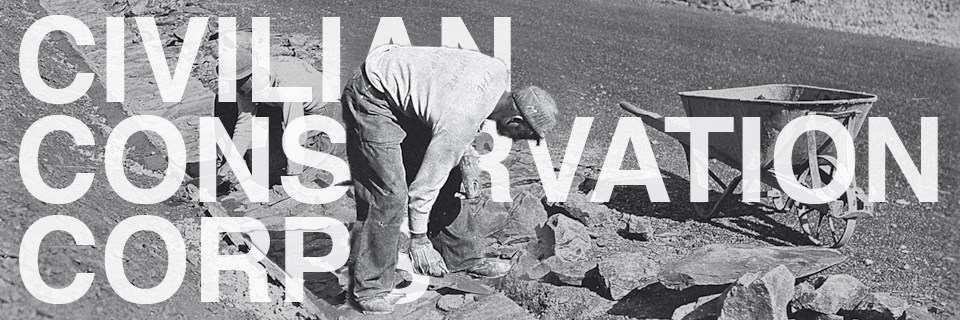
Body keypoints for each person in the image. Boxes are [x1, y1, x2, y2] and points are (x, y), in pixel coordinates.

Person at [341, 44, 559, 314]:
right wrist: (419, 239)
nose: (520, 141)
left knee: (452, 168)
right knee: (388, 194)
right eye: (525, 135)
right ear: (515, 119)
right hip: (373, 95)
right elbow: (426, 184)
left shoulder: (498, 73)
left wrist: (467, 159)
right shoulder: (460, 117)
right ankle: (371, 288)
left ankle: (461, 257)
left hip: (408, 92)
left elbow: (455, 102)